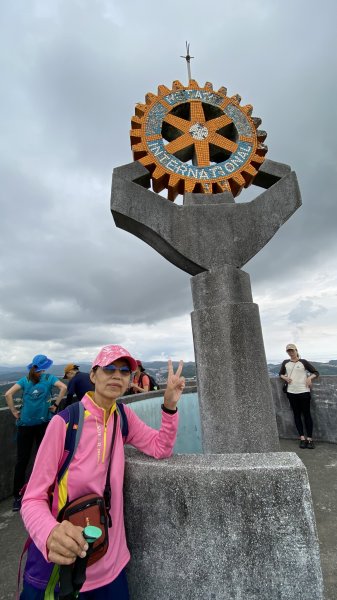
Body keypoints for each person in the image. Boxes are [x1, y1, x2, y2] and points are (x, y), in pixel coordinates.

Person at [20, 344, 185, 599]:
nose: (117, 376)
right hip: (63, 568)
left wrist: (170, 406)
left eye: (124, 371)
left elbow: (160, 447)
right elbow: (32, 499)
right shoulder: (64, 423)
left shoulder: (122, 416)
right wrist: (50, 534)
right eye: (108, 369)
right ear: (93, 375)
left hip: (111, 565)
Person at [5, 354, 67, 512]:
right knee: (44, 459)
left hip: (25, 424)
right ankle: (43, 493)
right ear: (45, 366)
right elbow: (64, 388)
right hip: (43, 424)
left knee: (22, 460)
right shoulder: (48, 378)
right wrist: (55, 405)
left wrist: (14, 412)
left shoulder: (25, 380)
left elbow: (8, 394)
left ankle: (17, 498)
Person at [279, 343, 319, 449]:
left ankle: (310, 439)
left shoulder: (303, 362)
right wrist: (285, 378)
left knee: (307, 415)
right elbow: (280, 374)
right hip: (291, 392)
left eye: (292, 350)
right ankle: (302, 438)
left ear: (296, 350)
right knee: (296, 415)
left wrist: (310, 378)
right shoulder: (285, 363)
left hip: (304, 391)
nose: (291, 353)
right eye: (289, 351)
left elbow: (316, 372)